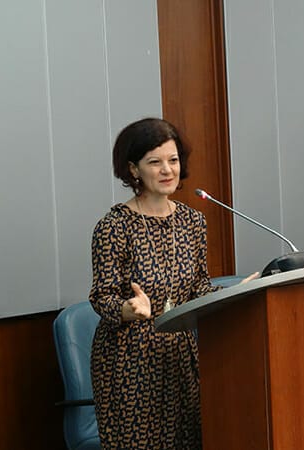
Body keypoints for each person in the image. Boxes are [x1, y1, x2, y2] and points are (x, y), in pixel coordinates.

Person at [89, 118, 257, 449]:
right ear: (133, 169)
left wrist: (237, 294)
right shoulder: (113, 227)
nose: (167, 170)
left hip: (179, 352)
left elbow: (198, 289)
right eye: (155, 162)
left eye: (173, 160)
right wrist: (128, 309)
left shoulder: (193, 222)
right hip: (130, 362)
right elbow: (101, 297)